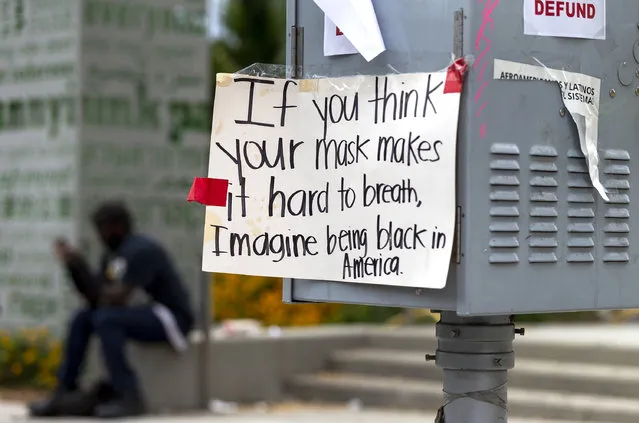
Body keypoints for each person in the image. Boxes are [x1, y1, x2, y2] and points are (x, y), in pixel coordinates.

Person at [28, 201, 195, 419]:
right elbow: (95, 298)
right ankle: (64, 391)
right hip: (143, 313)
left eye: (102, 228)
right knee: (82, 318)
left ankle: (129, 395)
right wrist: (75, 268)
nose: (99, 235)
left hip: (171, 317)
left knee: (107, 320)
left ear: (118, 226)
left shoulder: (141, 250)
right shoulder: (113, 255)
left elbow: (116, 298)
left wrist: (83, 268)